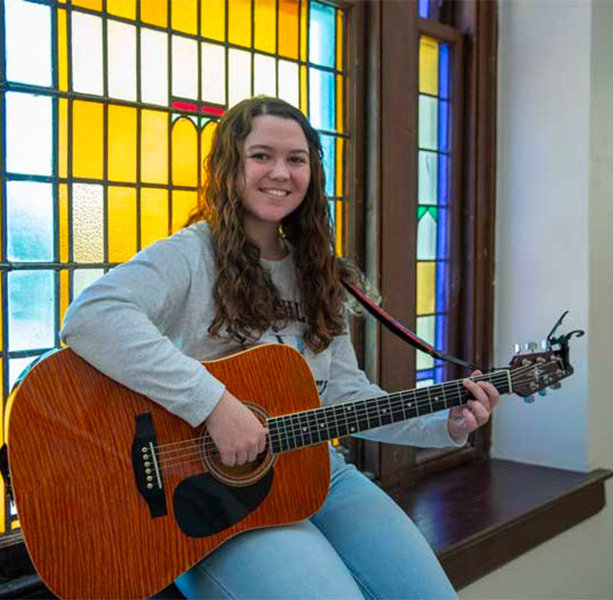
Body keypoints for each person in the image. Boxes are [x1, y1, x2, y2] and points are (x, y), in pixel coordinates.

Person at [60, 96, 500, 599]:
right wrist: (214, 406)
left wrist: (443, 422)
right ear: (230, 165)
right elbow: (92, 317)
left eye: (296, 159)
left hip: (316, 473)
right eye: (261, 155)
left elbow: (343, 396)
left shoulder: (319, 273)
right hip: (205, 493)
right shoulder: (190, 254)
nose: (280, 172)